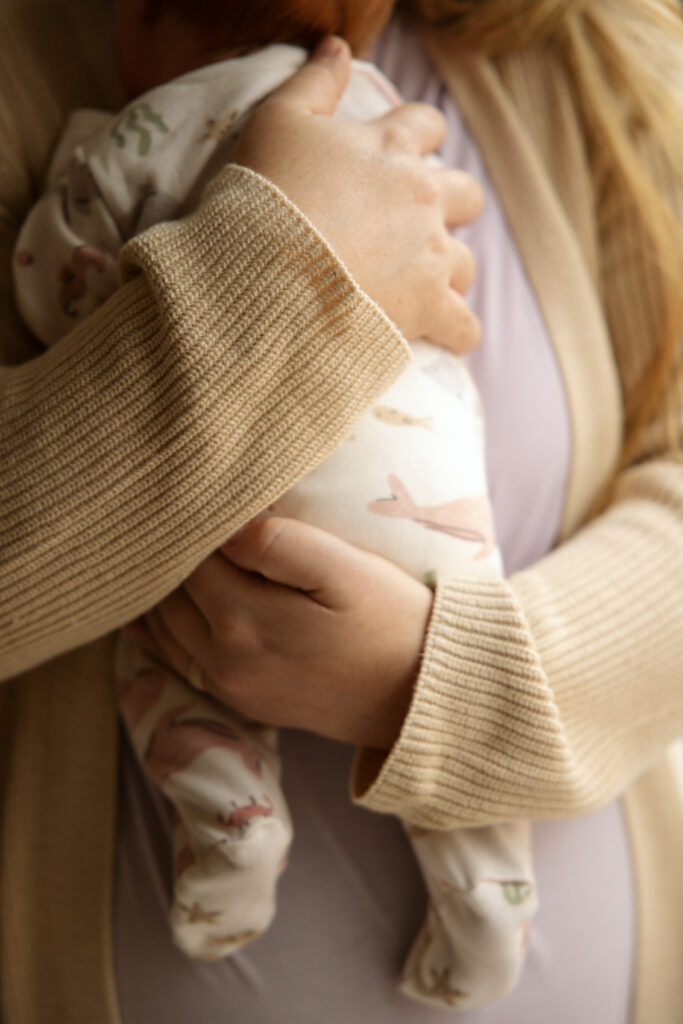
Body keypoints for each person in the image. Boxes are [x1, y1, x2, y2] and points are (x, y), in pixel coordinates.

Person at [0, 1, 681, 1023]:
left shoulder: (574, 45)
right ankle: (483, 886)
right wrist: (286, 269)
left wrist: (450, 686)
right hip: (431, 533)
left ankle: (232, 817)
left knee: (183, 687)